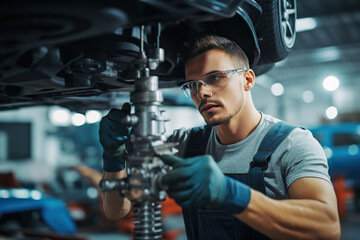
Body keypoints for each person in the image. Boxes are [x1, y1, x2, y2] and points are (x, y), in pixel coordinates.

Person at [99, 35, 341, 239]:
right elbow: (117, 210)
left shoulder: (291, 144)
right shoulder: (184, 144)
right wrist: (114, 158)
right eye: (192, 85)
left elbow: (327, 228)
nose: (202, 92)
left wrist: (231, 194)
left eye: (214, 77)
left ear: (247, 80)